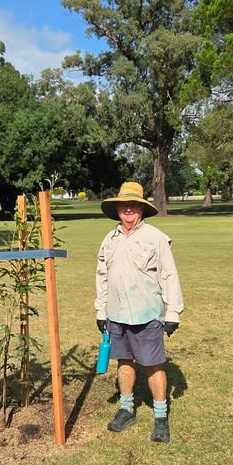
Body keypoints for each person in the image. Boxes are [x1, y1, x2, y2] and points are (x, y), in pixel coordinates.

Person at [95, 181, 184, 443]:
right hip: (116, 313)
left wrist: (173, 311)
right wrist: (101, 310)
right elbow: (102, 276)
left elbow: (169, 274)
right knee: (124, 362)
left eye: (134, 204)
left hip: (147, 314)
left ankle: (160, 416)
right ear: (118, 208)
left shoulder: (155, 237)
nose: (129, 209)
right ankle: (126, 409)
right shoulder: (109, 239)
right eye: (125, 204)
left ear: (142, 209)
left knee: (153, 364)